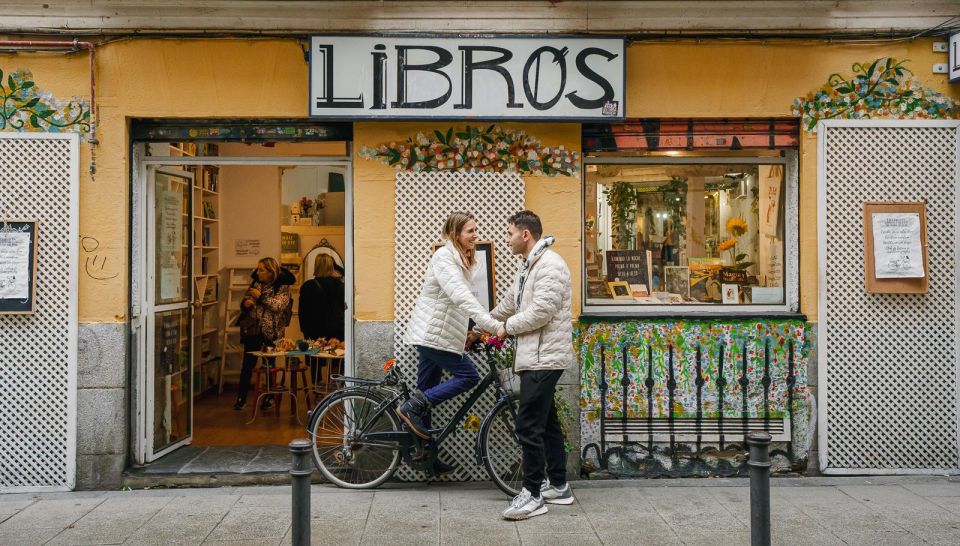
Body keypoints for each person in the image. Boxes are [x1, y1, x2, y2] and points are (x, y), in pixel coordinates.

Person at [399, 211, 504, 474]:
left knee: (426, 389)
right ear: (455, 233)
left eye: (475, 230)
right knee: (469, 376)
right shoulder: (444, 257)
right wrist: (492, 327)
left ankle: (426, 456)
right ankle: (411, 406)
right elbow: (460, 297)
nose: (475, 235)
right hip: (434, 336)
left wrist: (472, 332)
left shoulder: (461, 259)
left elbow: (454, 305)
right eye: (470, 231)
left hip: (436, 334)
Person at [490, 210, 575, 520]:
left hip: (544, 357)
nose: (507, 238)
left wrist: (506, 328)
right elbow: (511, 303)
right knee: (547, 422)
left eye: (510, 232)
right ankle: (559, 485)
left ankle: (533, 494)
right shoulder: (530, 265)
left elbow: (541, 312)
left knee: (527, 425)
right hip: (536, 355)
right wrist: (485, 323)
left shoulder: (550, 265)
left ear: (526, 234)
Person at [233, 257, 296, 411]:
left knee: (269, 366)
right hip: (253, 329)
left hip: (272, 332)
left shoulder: (282, 287)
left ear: (270, 272)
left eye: (262, 270)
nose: (258, 272)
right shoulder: (256, 283)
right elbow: (247, 301)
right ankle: (241, 398)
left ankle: (269, 397)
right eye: (258, 269)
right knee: (247, 365)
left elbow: (277, 306)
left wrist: (259, 297)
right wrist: (245, 304)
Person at [298, 253, 345, 341]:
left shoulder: (307, 286)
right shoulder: (339, 286)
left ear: (316, 266)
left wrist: (305, 332)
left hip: (314, 332)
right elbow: (344, 308)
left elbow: (302, 312)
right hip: (336, 332)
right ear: (331, 266)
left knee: (315, 354)